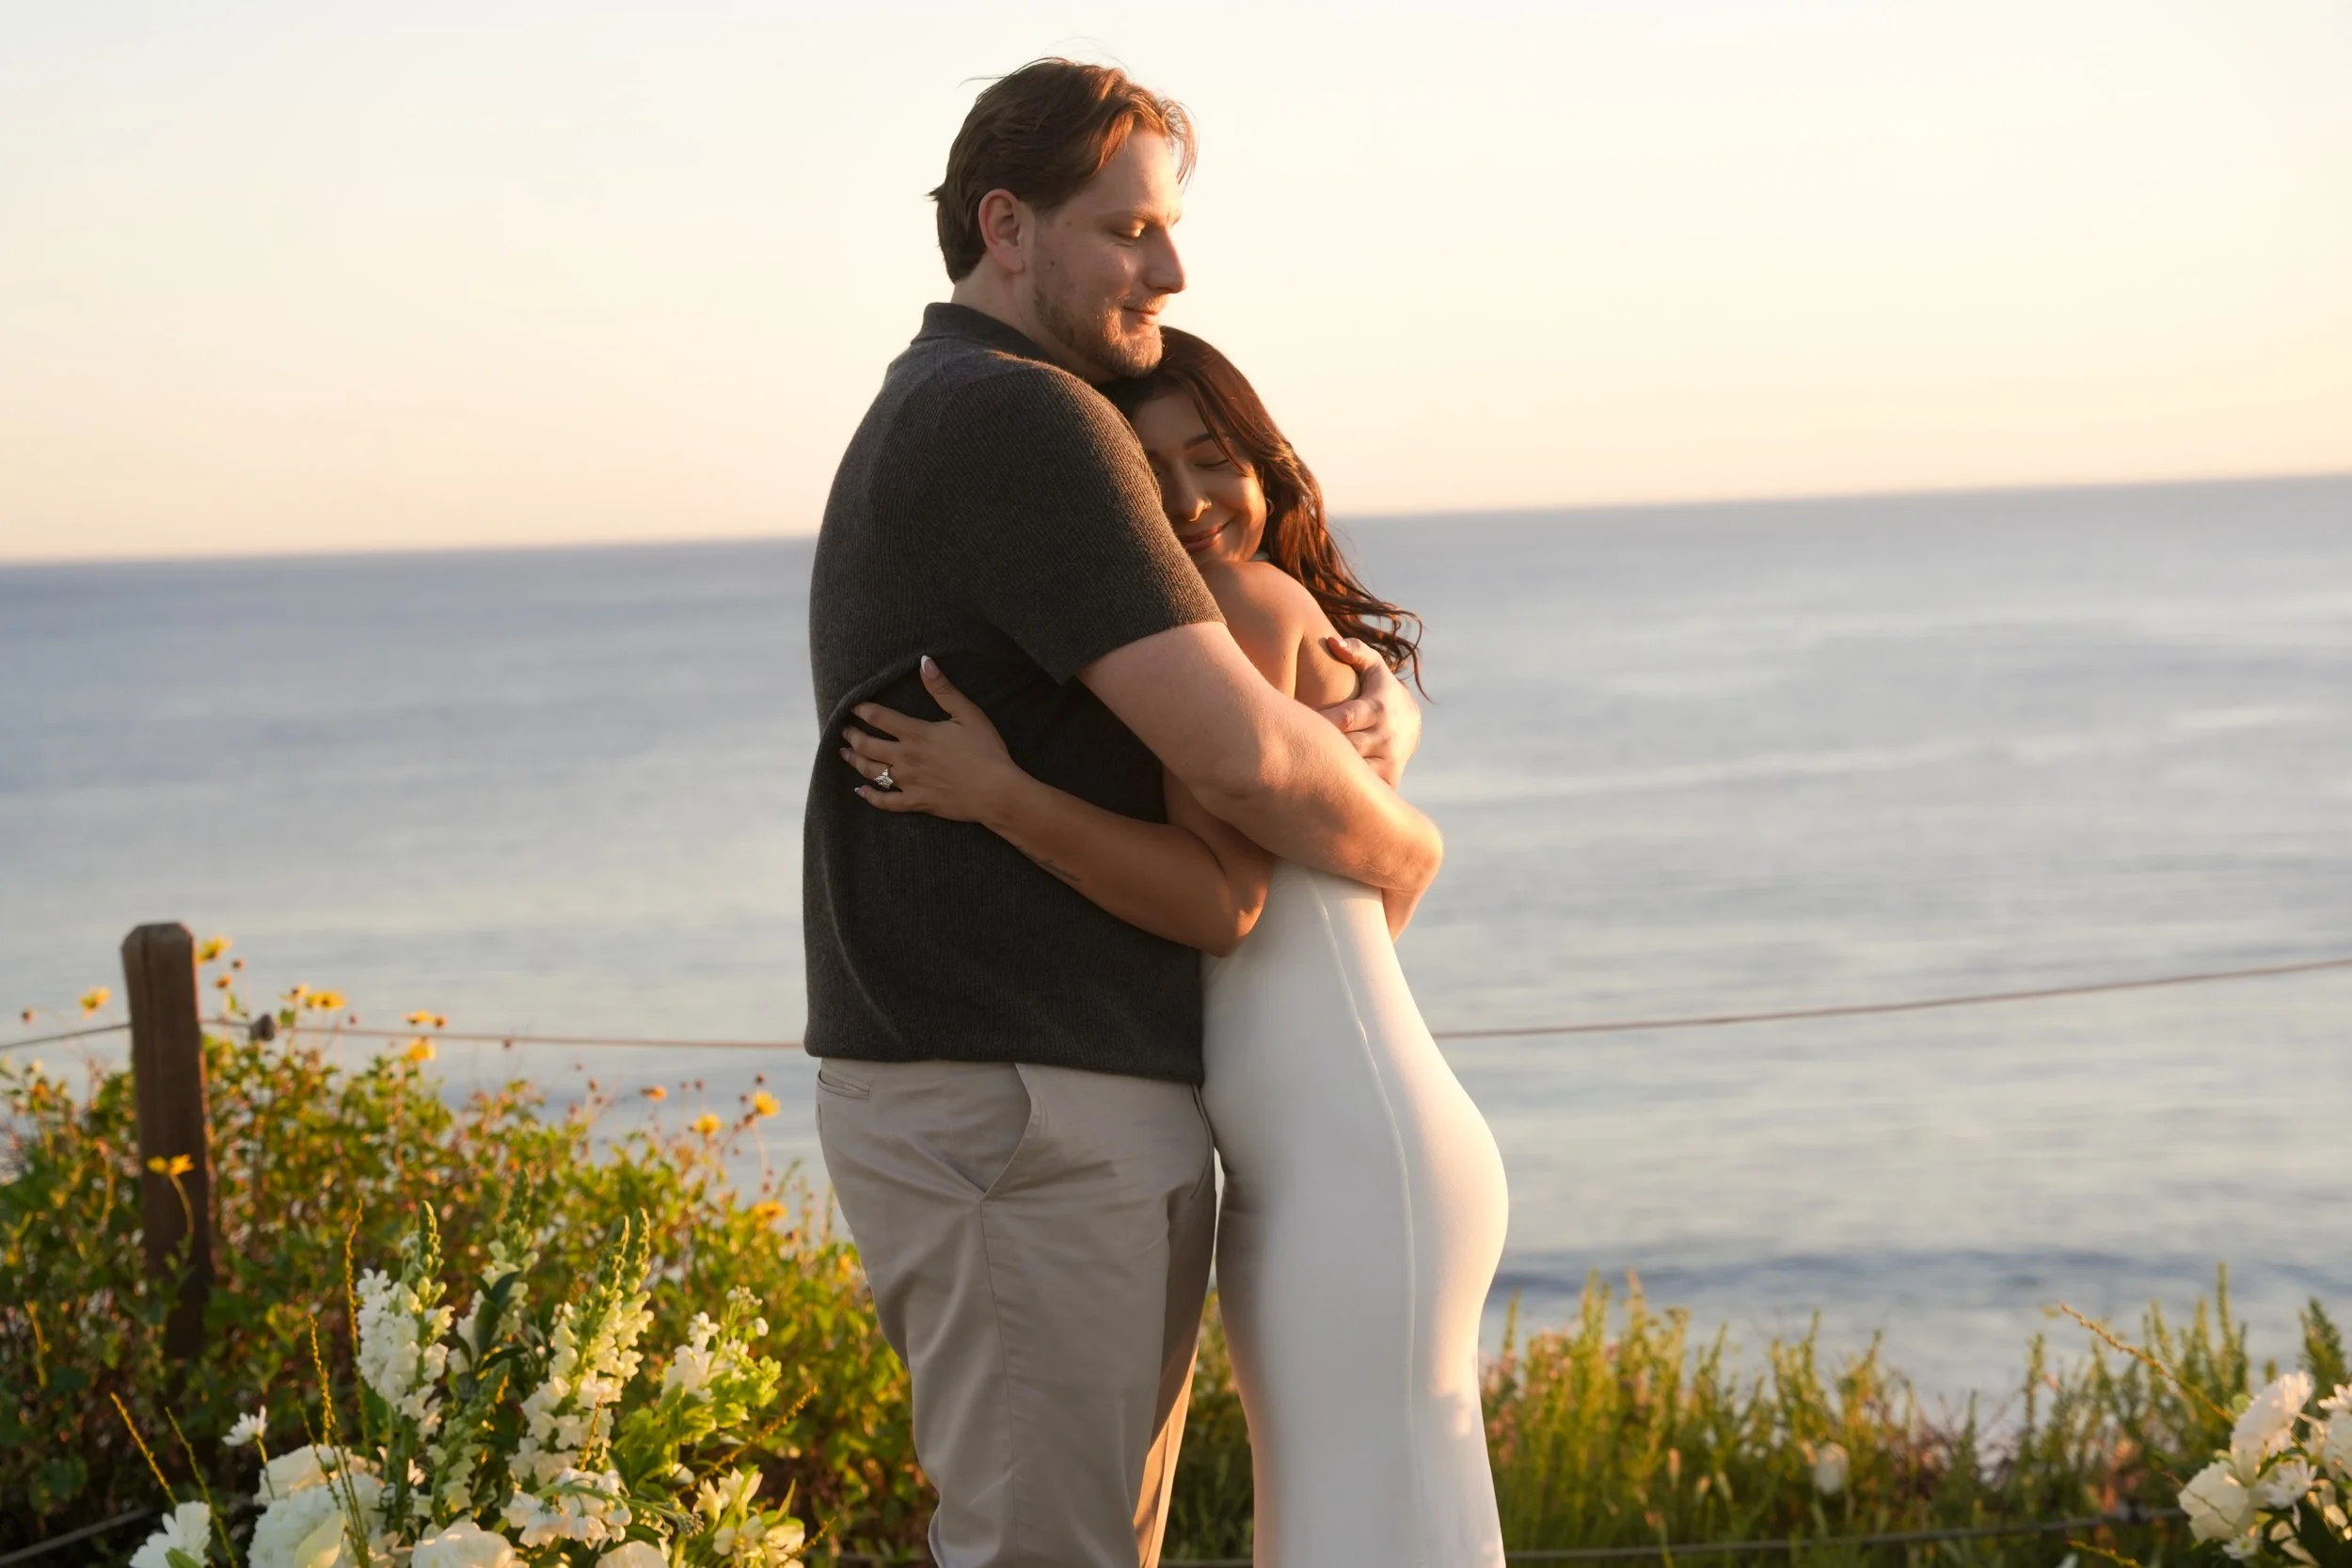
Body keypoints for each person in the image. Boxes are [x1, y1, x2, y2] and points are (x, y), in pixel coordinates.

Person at [803, 60, 1441, 1568]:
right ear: (1006, 226)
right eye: (1129, 231)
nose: (1171, 267)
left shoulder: (975, 409)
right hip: (1018, 1107)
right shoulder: (1022, 420)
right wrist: (1415, 845)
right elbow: (1245, 769)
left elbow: (1253, 679)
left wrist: (1373, 703)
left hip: (1026, 1100)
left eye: (1170, 229)